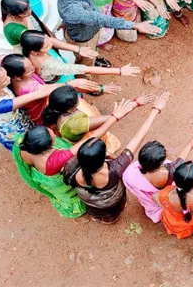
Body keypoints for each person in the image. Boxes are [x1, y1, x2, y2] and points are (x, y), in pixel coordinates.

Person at [12, 102, 130, 219]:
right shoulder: (55, 161)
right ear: (48, 147)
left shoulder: (23, 143)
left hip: (41, 172)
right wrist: (115, 117)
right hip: (53, 175)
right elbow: (93, 138)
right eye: (53, 137)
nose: (54, 133)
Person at [64, 94, 167, 223]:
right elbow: (137, 138)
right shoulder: (116, 168)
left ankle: (99, 218)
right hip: (112, 204)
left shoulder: (70, 167)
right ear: (104, 156)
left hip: (92, 205)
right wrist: (155, 110)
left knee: (98, 212)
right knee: (112, 212)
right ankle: (111, 219)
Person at [0, 60, 93, 150]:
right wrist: (70, 84)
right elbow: (39, 93)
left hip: (5, 119)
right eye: (4, 80)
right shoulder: (0, 106)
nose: (9, 79)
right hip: (15, 128)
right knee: (30, 145)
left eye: (7, 74)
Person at [52, 0, 162, 62]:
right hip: (84, 40)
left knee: (93, 51)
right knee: (86, 63)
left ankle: (95, 53)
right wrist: (135, 25)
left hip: (91, 30)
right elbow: (100, 19)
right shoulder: (71, 9)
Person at [123, 115, 193, 223]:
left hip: (154, 202)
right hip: (166, 199)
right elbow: (189, 147)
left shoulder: (130, 174)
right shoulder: (172, 169)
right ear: (161, 163)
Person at [1, 54, 119, 125]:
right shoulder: (29, 88)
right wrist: (100, 88)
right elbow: (48, 90)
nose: (33, 68)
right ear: (17, 77)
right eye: (29, 70)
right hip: (41, 110)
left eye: (31, 65)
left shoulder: (8, 71)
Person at [42, 86, 152, 155]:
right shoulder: (74, 124)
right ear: (71, 109)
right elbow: (112, 117)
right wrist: (135, 103)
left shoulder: (53, 104)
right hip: (87, 143)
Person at [1, 0, 98, 63]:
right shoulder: (13, 29)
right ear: (13, 15)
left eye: (29, 8)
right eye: (25, 12)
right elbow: (40, 39)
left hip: (40, 39)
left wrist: (48, 32)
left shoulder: (23, 10)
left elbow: (37, 22)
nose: (30, 11)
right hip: (35, 48)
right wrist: (78, 49)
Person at [20, 30, 140, 83]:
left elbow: (50, 40)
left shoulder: (28, 50)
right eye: (46, 46)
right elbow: (86, 69)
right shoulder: (50, 66)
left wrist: (78, 49)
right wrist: (119, 71)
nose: (51, 44)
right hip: (62, 80)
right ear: (35, 52)